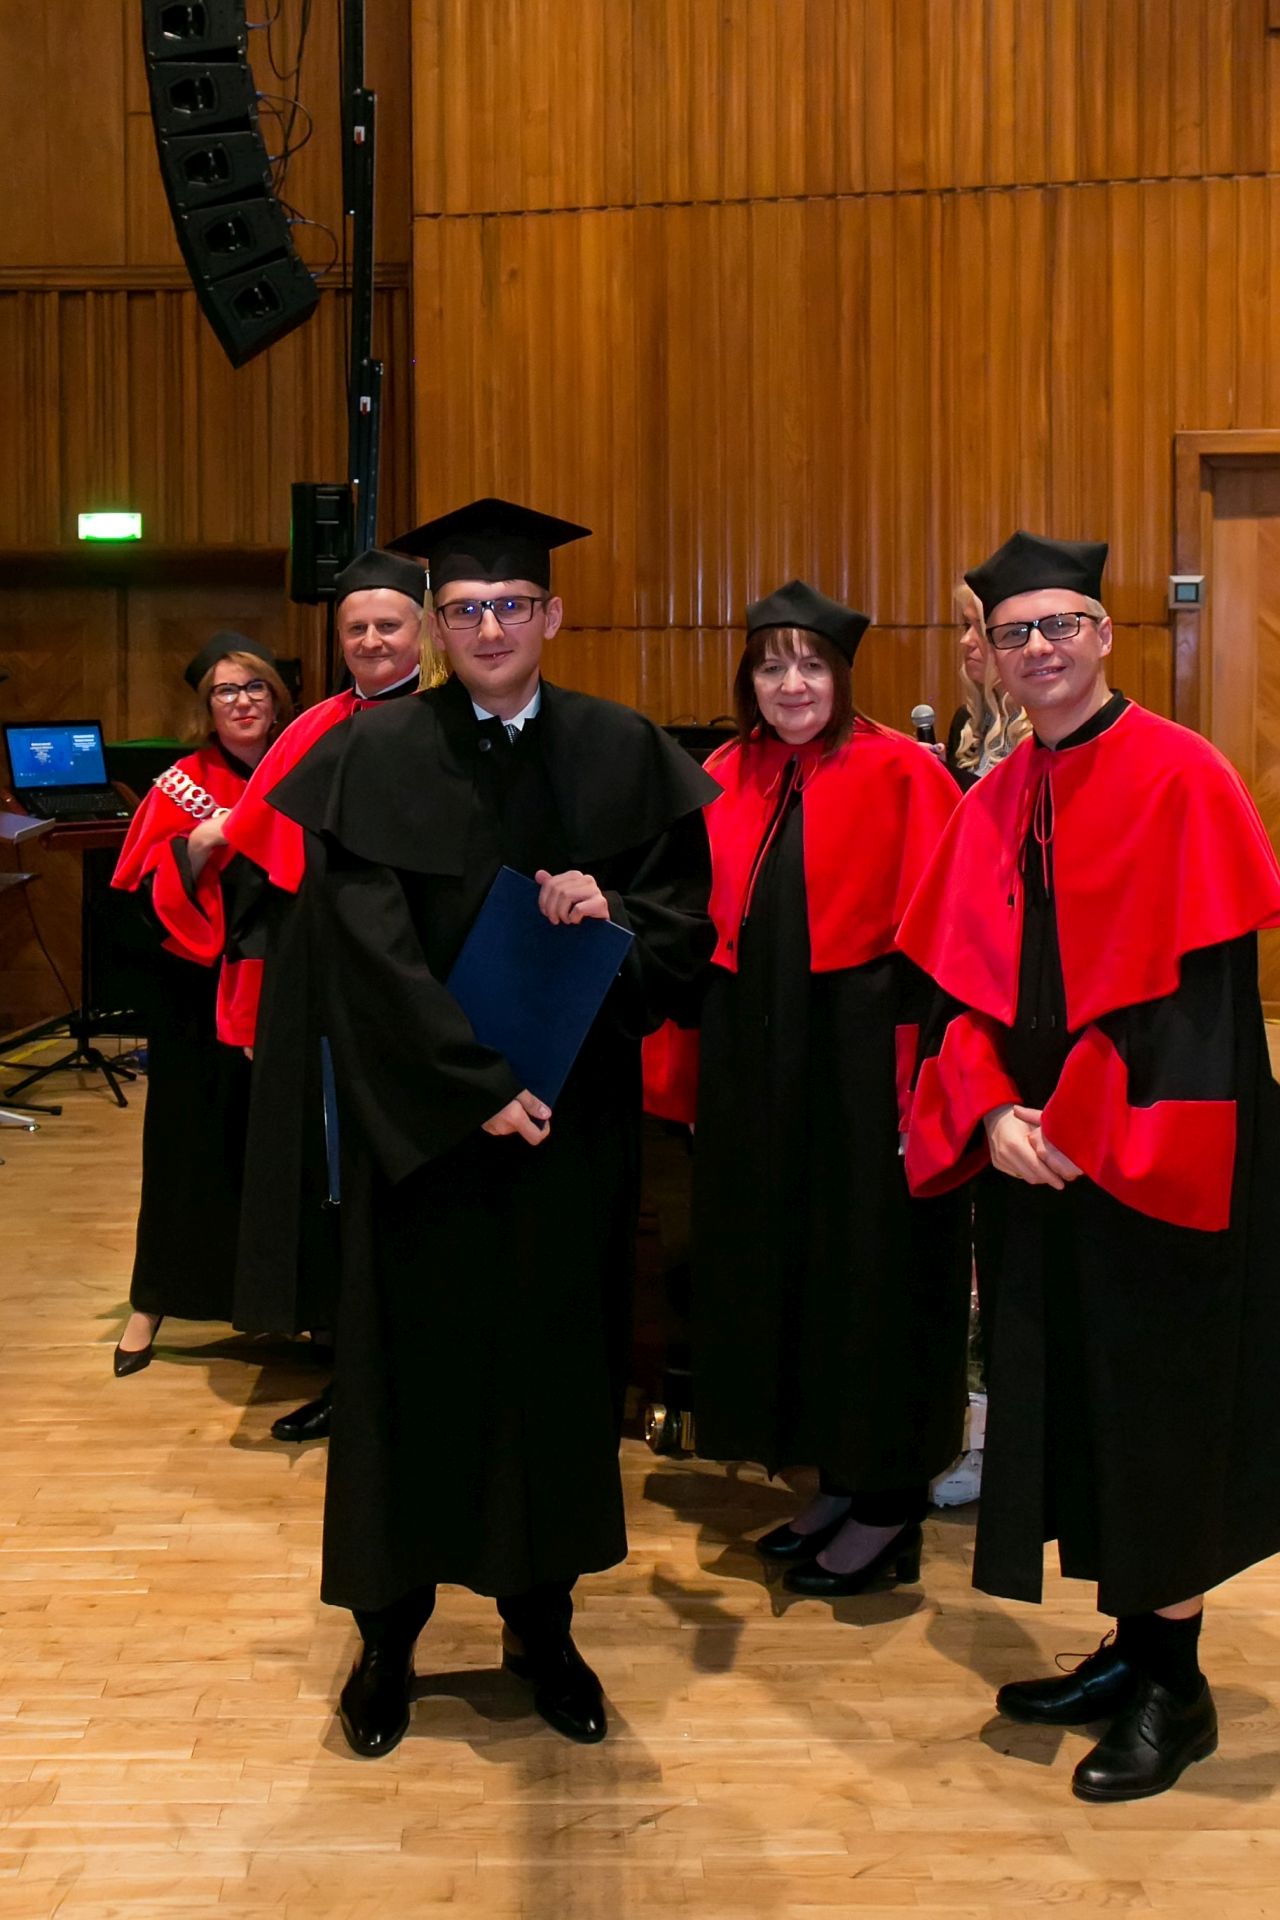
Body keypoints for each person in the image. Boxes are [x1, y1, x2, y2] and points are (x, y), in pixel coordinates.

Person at [262, 496, 718, 1755]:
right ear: (433, 625)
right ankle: (388, 1635)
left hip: (569, 1129)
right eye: (464, 609)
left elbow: (683, 929)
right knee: (407, 1375)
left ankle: (542, 1625)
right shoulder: (371, 754)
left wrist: (609, 909)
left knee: (555, 1378)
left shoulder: (620, 750)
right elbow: (362, 952)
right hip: (424, 1130)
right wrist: (469, 1084)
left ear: (551, 616)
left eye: (511, 605)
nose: (489, 628)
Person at [899, 530, 1280, 1801]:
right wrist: (986, 1112)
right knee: (1078, 1400)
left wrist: (1071, 1124)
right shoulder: (995, 797)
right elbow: (956, 993)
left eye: (1060, 624)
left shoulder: (1182, 775)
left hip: (1156, 1164)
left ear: (1104, 636)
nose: (1039, 648)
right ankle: (1129, 1648)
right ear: (989, 655)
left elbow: (1197, 1014)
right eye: (1013, 632)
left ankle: (1176, 1689)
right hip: (1038, 1164)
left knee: (1158, 1407)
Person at [649, 581, 970, 1596]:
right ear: (747, 680)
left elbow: (949, 946)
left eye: (810, 665)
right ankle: (830, 1476)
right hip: (757, 1066)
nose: (790, 684)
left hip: (865, 1063)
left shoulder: (906, 772)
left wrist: (924, 1082)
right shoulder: (721, 775)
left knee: (870, 1271)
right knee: (782, 1268)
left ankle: (887, 1498)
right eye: (770, 665)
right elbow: (692, 931)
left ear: (842, 675)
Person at [217, 549, 441, 1442]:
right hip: (322, 990)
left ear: (423, 630)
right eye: (356, 628)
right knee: (336, 1182)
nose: (373, 640)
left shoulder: (451, 722)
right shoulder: (311, 728)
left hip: (423, 991)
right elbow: (263, 873)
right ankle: (354, 1376)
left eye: (389, 624)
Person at [109, 635, 291, 1375]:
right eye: (225, 691)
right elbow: (139, 889)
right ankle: (154, 1299)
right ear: (206, 708)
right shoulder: (181, 784)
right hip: (198, 989)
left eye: (255, 687)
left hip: (289, 984)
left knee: (283, 1150)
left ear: (276, 696)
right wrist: (201, 844)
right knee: (187, 1147)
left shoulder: (304, 764)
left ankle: (295, 1307)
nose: (242, 702)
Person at [943, 582, 1031, 790]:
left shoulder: (1045, 727)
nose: (966, 640)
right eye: (967, 626)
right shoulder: (967, 722)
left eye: (980, 629)